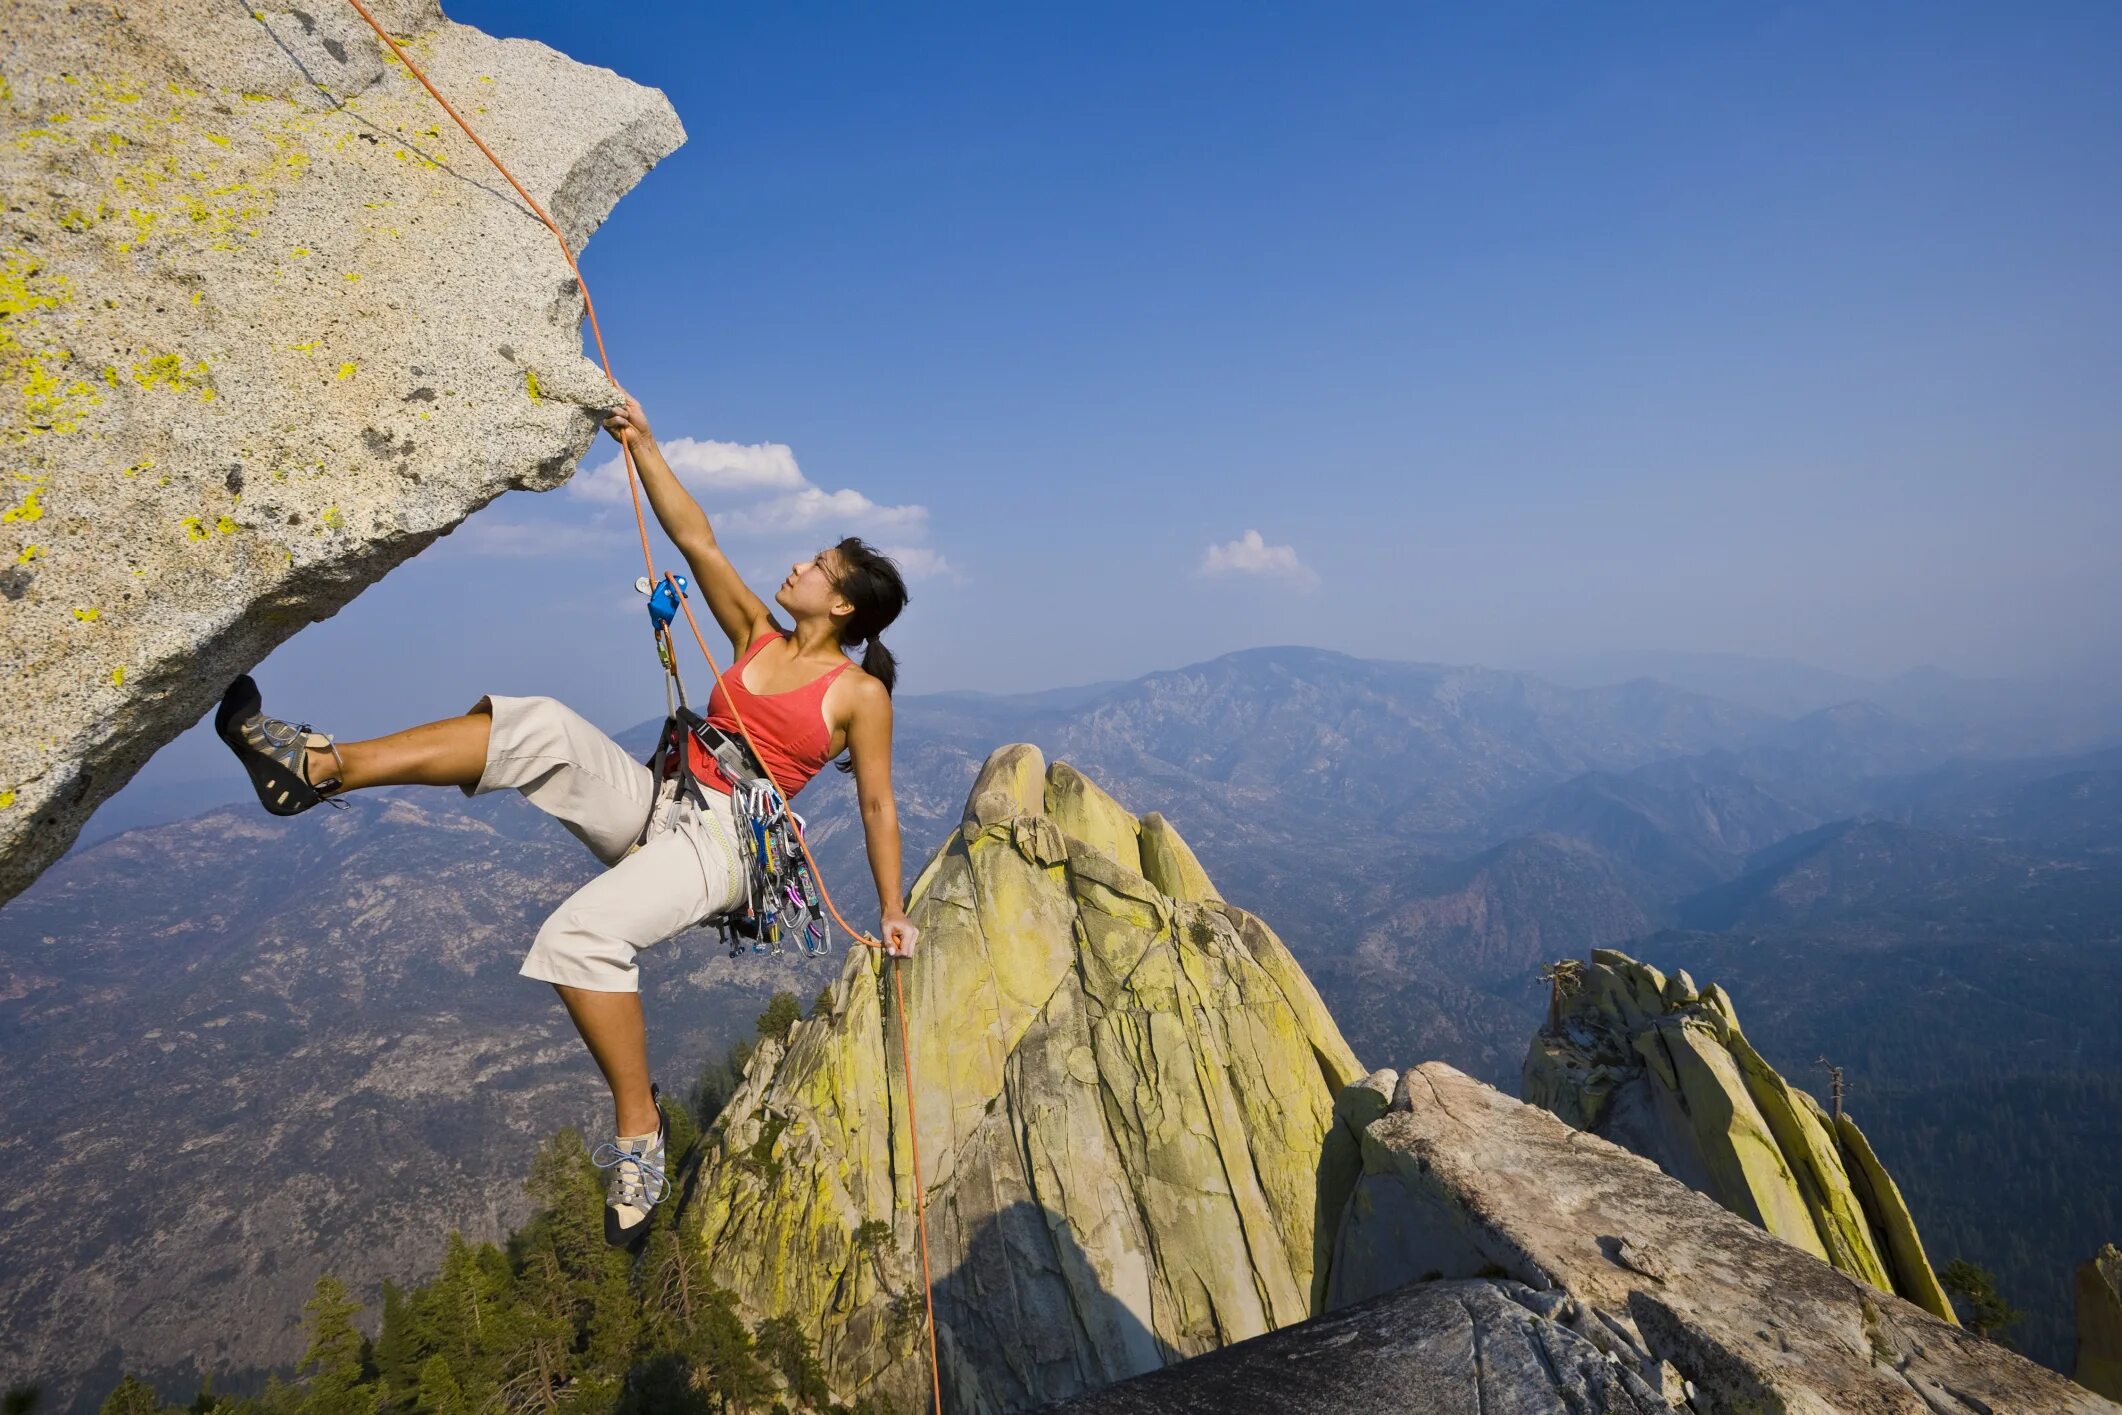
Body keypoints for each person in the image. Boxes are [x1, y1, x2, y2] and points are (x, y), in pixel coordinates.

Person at [215, 393, 918, 1245]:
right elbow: (696, 536)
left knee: (581, 936)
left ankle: (639, 1130)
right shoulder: (754, 637)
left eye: (818, 565)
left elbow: (876, 802)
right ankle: (316, 769)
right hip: (663, 802)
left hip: (729, 845)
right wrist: (644, 443)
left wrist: (891, 907)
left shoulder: (859, 694)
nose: (800, 566)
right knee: (538, 725)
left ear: (842, 605)